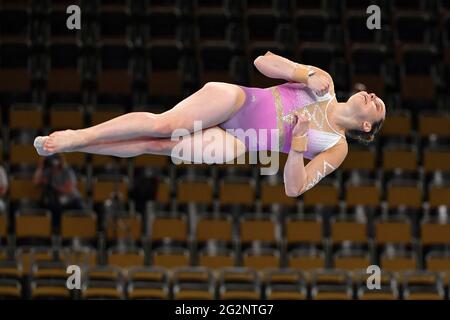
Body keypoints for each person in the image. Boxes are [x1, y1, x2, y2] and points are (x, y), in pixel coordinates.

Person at [33, 51, 386, 197]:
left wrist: (297, 147)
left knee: (157, 146)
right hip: (238, 100)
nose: (372, 96)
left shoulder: (335, 147)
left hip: (242, 141)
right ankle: (77, 135)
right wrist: (302, 73)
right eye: (372, 94)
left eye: (377, 105)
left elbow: (295, 188)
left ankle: (75, 146)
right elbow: (262, 61)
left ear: (367, 127)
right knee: (162, 125)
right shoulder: (323, 83)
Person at [33, 154, 85, 228]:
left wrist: (52, 185)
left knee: (79, 213)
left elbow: (68, 189)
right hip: (56, 204)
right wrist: (41, 165)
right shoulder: (48, 171)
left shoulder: (66, 171)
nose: (54, 163)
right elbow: (36, 182)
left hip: (72, 201)